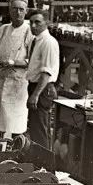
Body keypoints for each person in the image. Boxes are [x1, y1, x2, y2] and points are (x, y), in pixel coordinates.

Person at [0, 0, 33, 137]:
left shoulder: (29, 31)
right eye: (15, 9)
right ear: (9, 10)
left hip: (17, 83)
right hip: (0, 80)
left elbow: (32, 61)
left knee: (16, 125)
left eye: (21, 9)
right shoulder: (4, 29)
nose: (18, 12)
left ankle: (17, 145)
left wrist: (13, 62)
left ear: (26, 11)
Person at [26, 9, 60, 148]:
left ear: (47, 23)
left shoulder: (48, 42)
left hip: (42, 89)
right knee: (36, 128)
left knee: (40, 130)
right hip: (35, 87)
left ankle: (43, 160)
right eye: (31, 22)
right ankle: (40, 158)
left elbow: (46, 72)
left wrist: (35, 95)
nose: (33, 26)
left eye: (37, 22)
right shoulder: (36, 40)